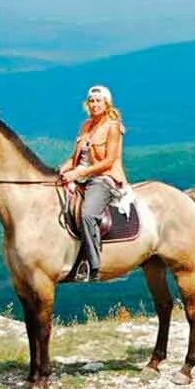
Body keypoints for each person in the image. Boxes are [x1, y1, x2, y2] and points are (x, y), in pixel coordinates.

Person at [59, 85, 128, 282]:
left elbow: (109, 160)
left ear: (107, 104)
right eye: (92, 101)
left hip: (104, 177)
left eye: (99, 101)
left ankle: (93, 264)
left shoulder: (113, 126)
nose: (95, 104)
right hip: (80, 176)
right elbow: (75, 157)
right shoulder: (85, 126)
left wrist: (80, 172)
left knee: (88, 214)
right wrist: (61, 170)